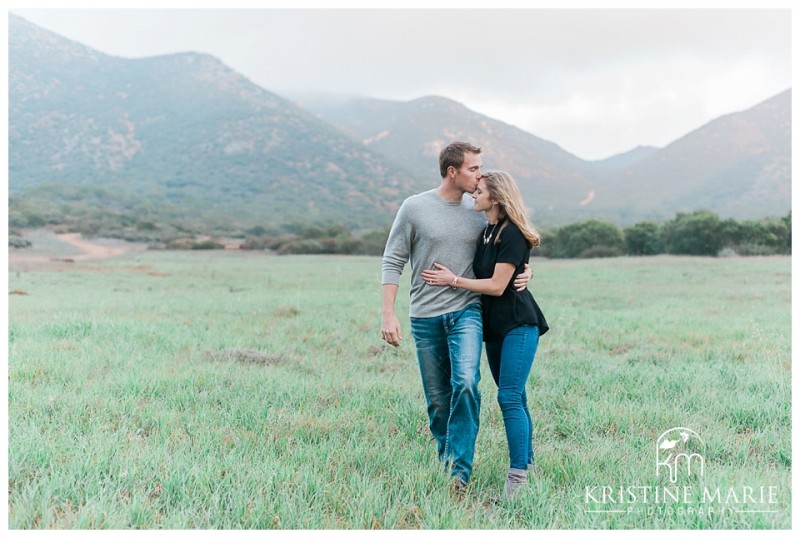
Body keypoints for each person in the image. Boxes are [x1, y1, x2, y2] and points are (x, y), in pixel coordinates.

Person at [381, 142, 531, 493]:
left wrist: (527, 272)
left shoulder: (480, 206)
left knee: (465, 383)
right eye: (473, 169)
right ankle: (447, 460)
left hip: (467, 311)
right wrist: (388, 314)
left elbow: (511, 236)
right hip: (424, 315)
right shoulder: (415, 208)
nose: (480, 175)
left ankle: (458, 477)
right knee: (437, 401)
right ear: (453, 172)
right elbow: (392, 261)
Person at [421, 170, 548, 498]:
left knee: (508, 396)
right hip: (495, 329)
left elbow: (496, 285)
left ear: (497, 197)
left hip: (519, 323)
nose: (473, 195)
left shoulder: (512, 234)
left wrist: (452, 281)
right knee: (516, 396)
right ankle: (529, 464)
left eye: (479, 191)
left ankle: (517, 477)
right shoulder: (487, 231)